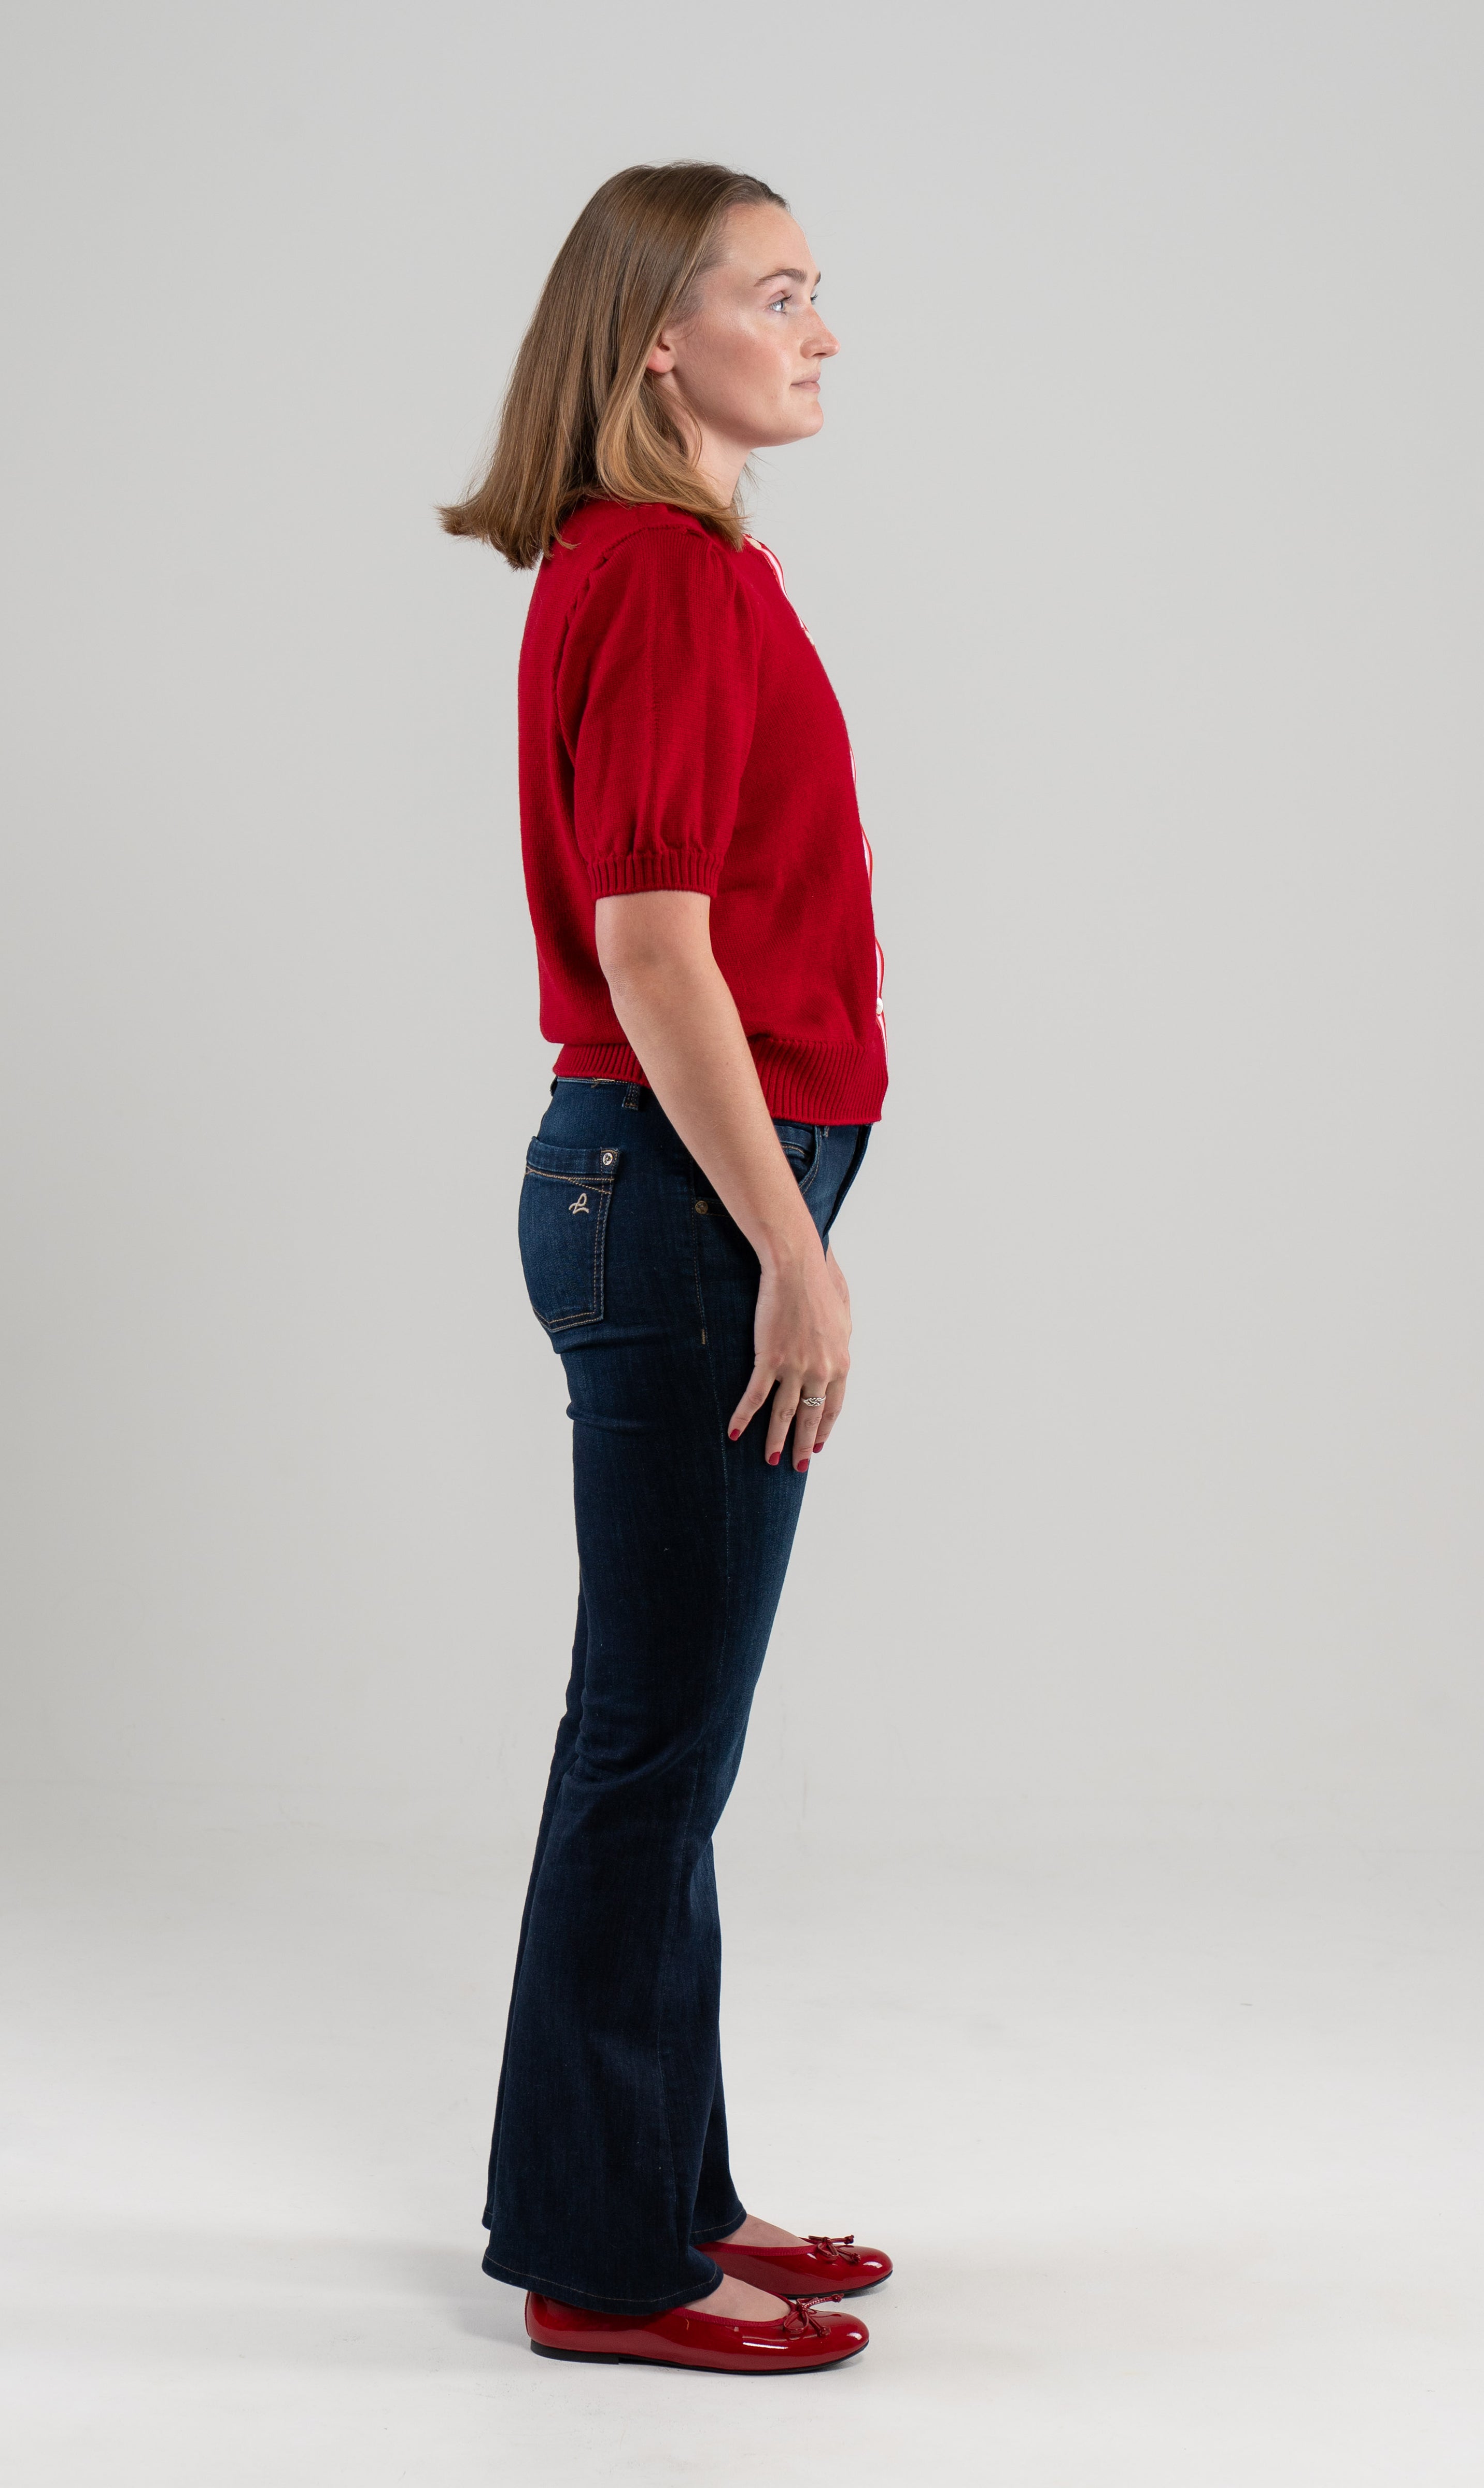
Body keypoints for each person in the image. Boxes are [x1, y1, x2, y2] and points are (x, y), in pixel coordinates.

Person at [440, 161, 890, 2377]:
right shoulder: (663, 580)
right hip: (694, 1195)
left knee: (662, 1739)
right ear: (656, 337)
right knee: (651, 1743)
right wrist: (791, 1252)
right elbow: (648, 945)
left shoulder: (663, 566)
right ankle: (604, 2265)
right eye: (779, 296)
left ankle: (651, 2189)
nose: (818, 334)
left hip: (676, 1186)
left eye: (819, 297)